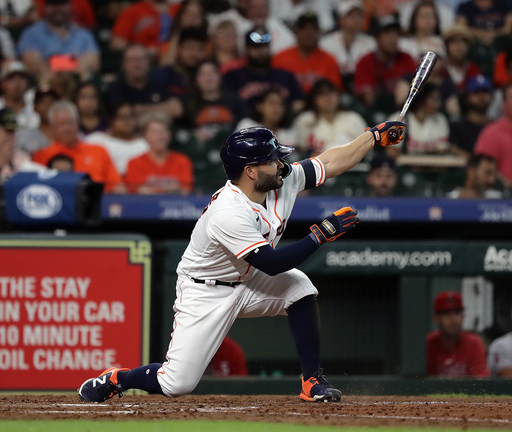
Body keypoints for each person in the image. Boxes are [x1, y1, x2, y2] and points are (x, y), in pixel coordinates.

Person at [76, 118, 407, 404]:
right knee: (175, 384)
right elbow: (272, 264)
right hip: (206, 291)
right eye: (273, 159)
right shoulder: (228, 212)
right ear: (250, 171)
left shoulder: (281, 179)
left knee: (300, 288)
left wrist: (373, 137)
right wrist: (321, 233)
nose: (281, 164)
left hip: (248, 277)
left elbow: (331, 163)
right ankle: (118, 379)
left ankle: (312, 381)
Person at [32, 100, 127, 193]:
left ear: (77, 123)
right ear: (51, 128)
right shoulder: (41, 156)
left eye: (70, 122)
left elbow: (118, 186)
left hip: (99, 203)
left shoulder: (99, 151)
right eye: (61, 124)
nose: (67, 128)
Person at [222, 28, 304, 115]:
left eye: (264, 47)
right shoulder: (233, 77)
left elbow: (299, 103)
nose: (261, 52)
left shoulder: (286, 76)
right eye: (256, 48)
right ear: (246, 49)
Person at [17, 0, 100, 83]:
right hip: (47, 86)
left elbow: (93, 65)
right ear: (45, 8)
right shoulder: (31, 33)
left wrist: (51, 63)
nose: (58, 9)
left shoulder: (83, 34)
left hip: (79, 84)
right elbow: (33, 67)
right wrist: (74, 62)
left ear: (69, 6)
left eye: (62, 4)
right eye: (53, 4)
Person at [474, 81, 512, 187]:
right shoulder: (492, 133)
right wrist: (509, 186)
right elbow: (483, 168)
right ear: (505, 104)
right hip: (501, 195)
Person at [271, 11, 344, 95]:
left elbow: (335, 91)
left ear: (319, 32)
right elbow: (274, 89)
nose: (309, 33)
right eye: (304, 28)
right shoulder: (280, 58)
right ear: (296, 32)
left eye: (313, 29)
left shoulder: (329, 59)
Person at [353, 15, 417, 109]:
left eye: (395, 34)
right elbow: (369, 99)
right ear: (377, 39)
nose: (393, 39)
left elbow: (416, 93)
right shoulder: (365, 62)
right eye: (387, 34)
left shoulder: (407, 59)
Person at [291, 79, 368, 156]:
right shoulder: (304, 120)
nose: (328, 98)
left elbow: (367, 146)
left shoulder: (353, 118)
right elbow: (297, 149)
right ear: (314, 99)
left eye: (331, 93)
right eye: (322, 95)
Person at [105, 45, 184, 120]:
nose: (138, 64)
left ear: (148, 63)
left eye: (141, 59)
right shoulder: (117, 89)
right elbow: (122, 114)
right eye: (132, 60)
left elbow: (177, 110)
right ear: (124, 65)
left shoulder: (159, 84)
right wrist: (162, 108)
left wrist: (139, 109)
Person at [124, 112, 194, 195]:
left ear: (169, 134)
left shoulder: (182, 161)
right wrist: (169, 190)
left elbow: (186, 191)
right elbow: (136, 192)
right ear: (145, 136)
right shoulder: (134, 163)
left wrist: (151, 190)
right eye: (154, 132)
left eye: (163, 131)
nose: (159, 136)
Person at [426, 291, 490, 377]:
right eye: (446, 313)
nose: (453, 319)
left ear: (463, 316)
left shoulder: (474, 343)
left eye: (457, 313)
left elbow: (480, 383)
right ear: (436, 318)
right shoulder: (428, 344)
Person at [184, 60, 248, 145]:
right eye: (203, 74)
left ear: (220, 77)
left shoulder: (235, 100)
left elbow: (246, 125)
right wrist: (193, 134)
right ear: (196, 79)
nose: (208, 78)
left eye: (212, 73)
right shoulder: (188, 103)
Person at [318, 0, 376, 93]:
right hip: (334, 89)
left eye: (359, 16)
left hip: (362, 89)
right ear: (340, 19)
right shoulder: (325, 43)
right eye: (351, 16)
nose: (356, 20)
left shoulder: (371, 43)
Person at [208, 0, 296, 56]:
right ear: (248, 10)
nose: (259, 11)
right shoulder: (240, 28)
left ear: (269, 9)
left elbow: (292, 47)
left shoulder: (279, 27)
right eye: (255, 7)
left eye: (263, 7)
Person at [84, 102, 149, 176]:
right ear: (112, 120)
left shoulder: (145, 143)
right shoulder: (97, 140)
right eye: (123, 117)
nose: (128, 121)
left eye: (132, 116)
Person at [148, 26, 209, 103]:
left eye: (199, 49)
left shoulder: (207, 77)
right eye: (189, 47)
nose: (194, 53)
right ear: (179, 49)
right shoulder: (162, 76)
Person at [390, 82, 449, 155]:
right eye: (434, 99)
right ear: (421, 100)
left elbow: (443, 151)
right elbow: (391, 152)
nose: (438, 104)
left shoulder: (440, 120)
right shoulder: (398, 119)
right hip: (405, 165)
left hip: (432, 165)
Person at [110, 0, 182, 55]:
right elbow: (117, 43)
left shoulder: (180, 10)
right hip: (143, 61)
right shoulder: (133, 10)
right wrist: (143, 52)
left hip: (174, 57)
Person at [0, 108, 47, 185]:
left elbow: (36, 171)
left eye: (13, 131)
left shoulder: (19, 156)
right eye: (8, 131)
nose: (11, 136)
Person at [448, 75, 493, 158]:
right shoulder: (457, 127)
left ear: (491, 96)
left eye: (485, 92)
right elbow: (453, 149)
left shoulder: (497, 127)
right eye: (476, 92)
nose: (481, 96)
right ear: (466, 97)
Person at [158, 0, 208, 67]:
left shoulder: (209, 43)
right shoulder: (169, 43)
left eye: (197, 15)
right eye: (188, 14)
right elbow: (165, 66)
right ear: (181, 16)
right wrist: (177, 34)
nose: (192, 18)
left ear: (203, 19)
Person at [16, 88, 61, 154]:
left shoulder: (68, 132)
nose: (48, 106)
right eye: (43, 102)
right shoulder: (25, 135)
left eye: (52, 101)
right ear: (35, 108)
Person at [0, 61, 37, 130]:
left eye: (21, 78)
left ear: (27, 83)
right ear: (3, 84)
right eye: (11, 79)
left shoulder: (36, 108)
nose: (17, 83)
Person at [442, 24, 482, 92]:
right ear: (447, 46)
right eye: (454, 42)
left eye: (463, 43)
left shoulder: (473, 69)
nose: (459, 47)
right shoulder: (441, 68)